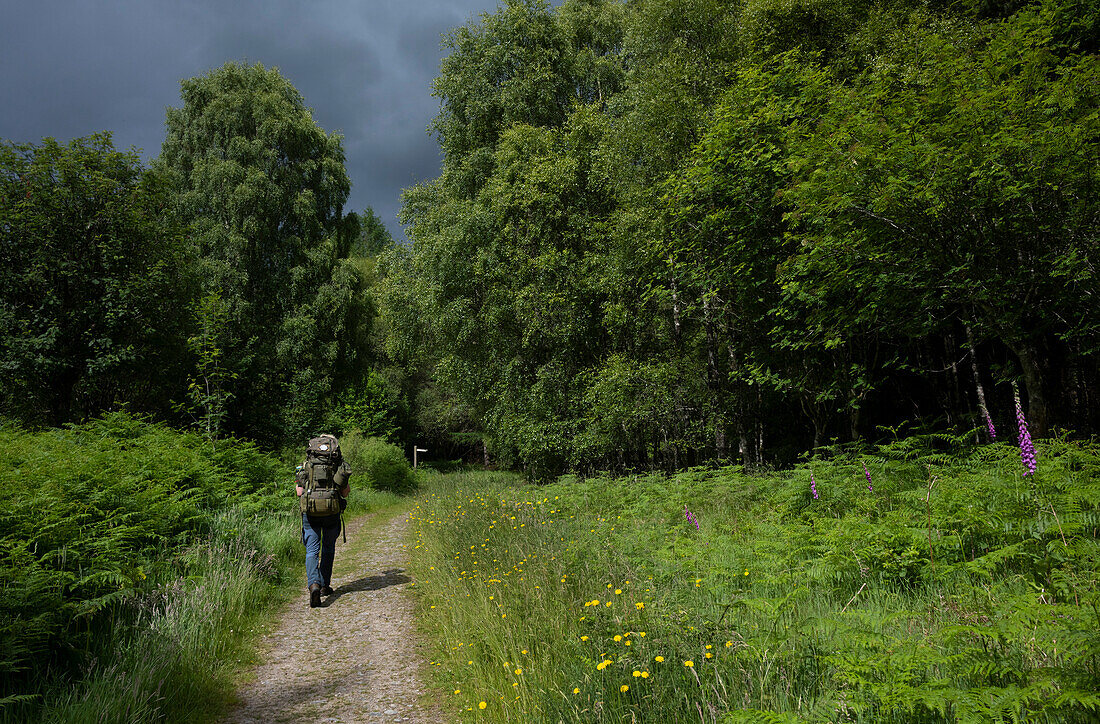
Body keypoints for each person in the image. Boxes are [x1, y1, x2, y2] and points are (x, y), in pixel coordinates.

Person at [295, 434, 351, 608]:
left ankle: (314, 585)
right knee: (328, 548)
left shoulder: (305, 465)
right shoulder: (337, 465)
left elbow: (299, 492)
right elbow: (345, 492)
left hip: (310, 513)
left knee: (312, 550)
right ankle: (325, 585)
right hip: (331, 512)